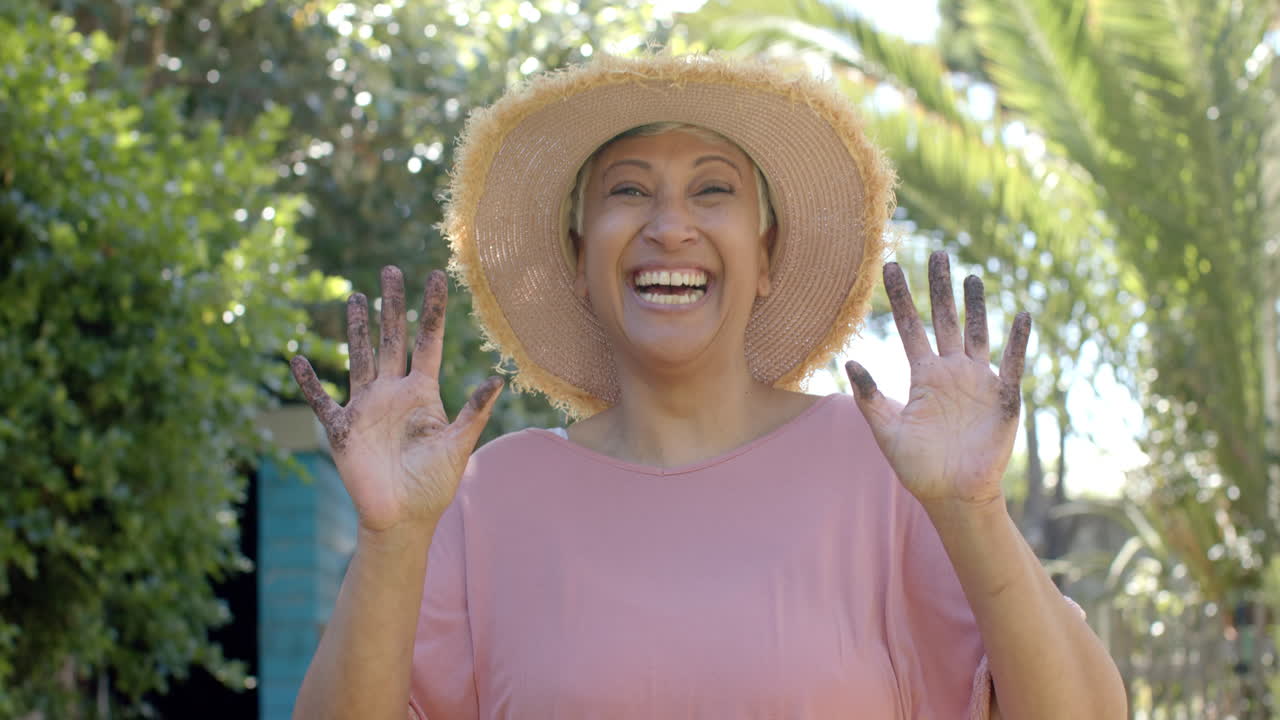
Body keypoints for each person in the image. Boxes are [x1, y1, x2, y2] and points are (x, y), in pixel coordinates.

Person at [288, 54, 1126, 719]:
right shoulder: (482, 499)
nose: (669, 226)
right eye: (627, 191)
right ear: (580, 261)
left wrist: (974, 510)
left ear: (766, 259)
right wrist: (392, 540)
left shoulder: (891, 473)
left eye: (714, 189)